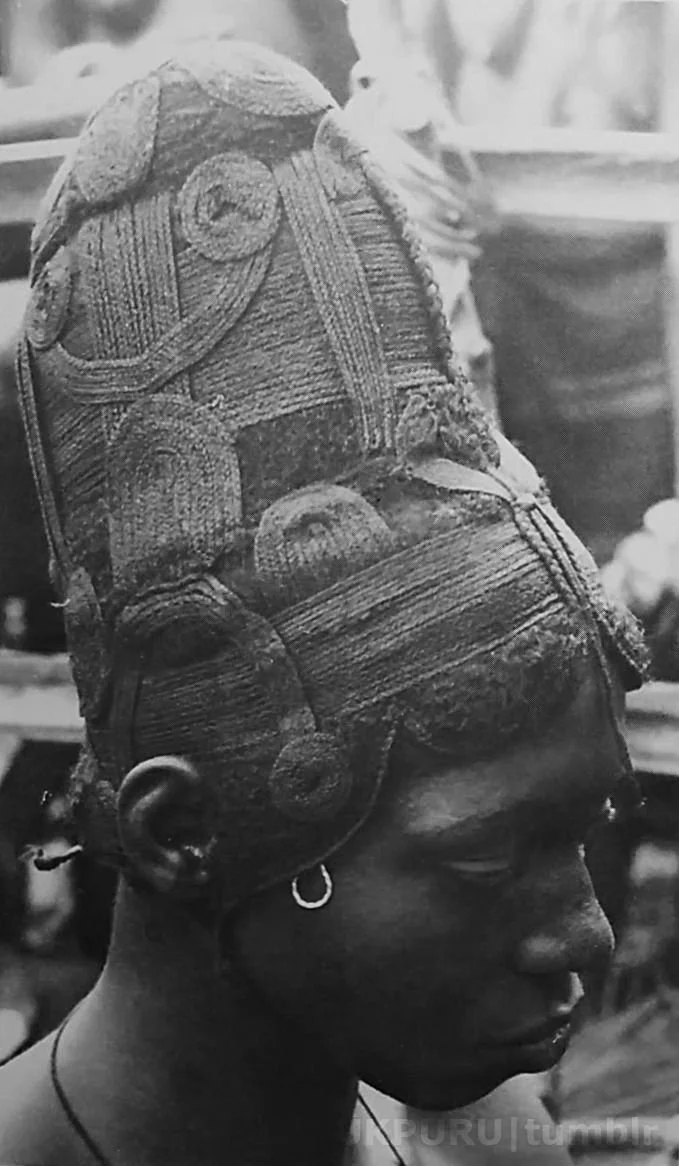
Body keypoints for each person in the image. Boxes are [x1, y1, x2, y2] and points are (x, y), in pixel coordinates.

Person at [0, 39, 647, 1166]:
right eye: (487, 857)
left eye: (584, 830)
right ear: (183, 833)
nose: (582, 933)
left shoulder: (496, 1143)